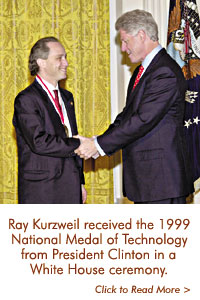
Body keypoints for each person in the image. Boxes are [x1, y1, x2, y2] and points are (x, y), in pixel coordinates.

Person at [75, 9, 194, 204]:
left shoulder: (164, 71)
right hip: (149, 183)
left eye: (125, 41)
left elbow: (142, 120)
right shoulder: (142, 71)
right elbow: (127, 116)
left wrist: (99, 146)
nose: (123, 48)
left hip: (162, 182)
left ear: (141, 35)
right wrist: (98, 142)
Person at [13, 37, 86, 204]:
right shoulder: (26, 99)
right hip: (43, 191)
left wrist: (80, 182)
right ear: (41, 62)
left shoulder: (67, 97)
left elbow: (69, 135)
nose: (66, 63)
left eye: (65, 57)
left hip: (71, 186)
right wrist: (78, 144)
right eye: (59, 58)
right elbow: (39, 142)